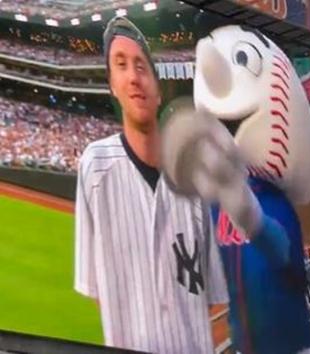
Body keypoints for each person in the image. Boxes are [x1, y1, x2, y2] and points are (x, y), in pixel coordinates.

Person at [73, 16, 227, 354]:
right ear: (111, 84)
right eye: (121, 64)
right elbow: (96, 289)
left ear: (158, 90)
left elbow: (210, 294)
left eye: (142, 66)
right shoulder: (95, 167)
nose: (133, 76)